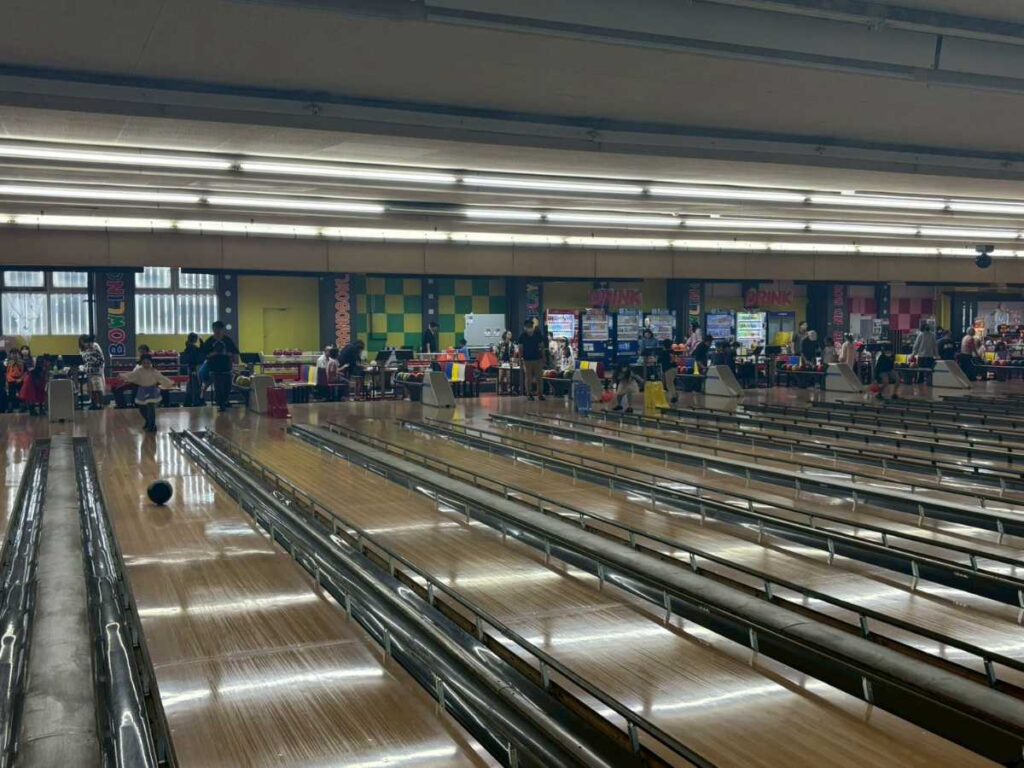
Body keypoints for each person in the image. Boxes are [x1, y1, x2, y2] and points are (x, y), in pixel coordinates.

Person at [123, 354, 173, 432]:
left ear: (151, 362)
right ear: (141, 363)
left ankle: (152, 425)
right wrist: (123, 376)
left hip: (152, 391)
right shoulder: (139, 371)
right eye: (144, 362)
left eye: (148, 362)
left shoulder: (154, 371)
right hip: (142, 391)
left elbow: (161, 378)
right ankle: (148, 421)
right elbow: (131, 375)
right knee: (142, 409)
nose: (146, 364)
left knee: (151, 408)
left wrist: (169, 382)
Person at [517, 319, 546, 401]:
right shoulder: (522, 336)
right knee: (528, 377)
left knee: (539, 377)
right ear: (524, 327)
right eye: (528, 327)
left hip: (538, 359)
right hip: (527, 360)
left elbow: (542, 346)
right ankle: (529, 394)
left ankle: (540, 394)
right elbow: (520, 349)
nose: (529, 328)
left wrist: (544, 357)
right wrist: (520, 359)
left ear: (533, 327)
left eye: (531, 326)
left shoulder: (538, 335)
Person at [79, 334, 106, 410]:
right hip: (88, 371)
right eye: (82, 342)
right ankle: (94, 404)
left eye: (84, 341)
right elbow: (84, 361)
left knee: (98, 388)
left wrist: (98, 366)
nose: (83, 343)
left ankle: (100, 404)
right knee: (91, 389)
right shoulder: (82, 350)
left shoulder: (95, 346)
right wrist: (83, 367)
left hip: (96, 370)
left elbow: (101, 358)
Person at [206, 341, 234, 412]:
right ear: (223, 348)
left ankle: (222, 404)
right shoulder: (227, 356)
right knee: (226, 390)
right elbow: (230, 367)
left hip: (217, 375)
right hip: (226, 375)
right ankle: (223, 403)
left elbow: (210, 367)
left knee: (219, 391)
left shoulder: (211, 357)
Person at [180, 333, 205, 407]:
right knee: (196, 386)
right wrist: (202, 342)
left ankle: (188, 402)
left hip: (191, 368)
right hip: (194, 368)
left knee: (190, 386)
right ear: (195, 339)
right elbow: (198, 356)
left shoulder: (188, 347)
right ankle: (196, 401)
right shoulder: (193, 348)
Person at [658, 338, 678, 404]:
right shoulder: (673, 351)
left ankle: (674, 397)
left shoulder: (664, 352)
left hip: (668, 369)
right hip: (675, 368)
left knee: (669, 384)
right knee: (671, 383)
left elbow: (659, 360)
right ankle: (675, 395)